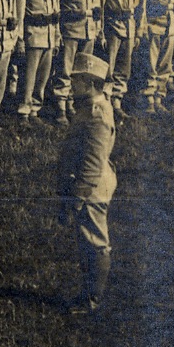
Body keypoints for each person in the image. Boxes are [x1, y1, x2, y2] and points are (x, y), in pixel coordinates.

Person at [56, 52, 118, 314]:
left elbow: (92, 164)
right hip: (86, 184)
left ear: (91, 83)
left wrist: (77, 197)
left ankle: (92, 298)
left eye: (77, 80)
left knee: (95, 242)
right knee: (86, 241)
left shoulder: (96, 116)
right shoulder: (89, 107)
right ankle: (88, 292)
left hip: (91, 188)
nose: (72, 85)